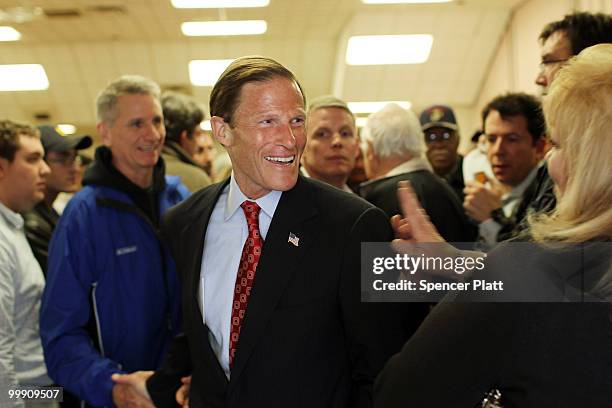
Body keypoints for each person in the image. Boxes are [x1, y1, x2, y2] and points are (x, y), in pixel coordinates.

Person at [114, 56, 398, 408]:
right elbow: (199, 336)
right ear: (222, 131)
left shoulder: (353, 224)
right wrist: (160, 386)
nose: (290, 140)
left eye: (296, 121)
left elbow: (382, 369)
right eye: (268, 122)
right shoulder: (184, 222)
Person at [374, 43, 612, 408]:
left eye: (560, 145)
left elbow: (400, 392)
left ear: (591, 161)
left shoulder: (528, 267)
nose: (551, 163)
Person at [40, 75, 190, 407]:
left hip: (180, 390)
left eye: (156, 120)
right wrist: (112, 387)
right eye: (136, 124)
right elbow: (60, 334)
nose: (152, 135)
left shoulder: (181, 200)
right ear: (105, 133)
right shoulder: (83, 217)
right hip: (119, 393)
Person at [360, 103, 475, 243]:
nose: (439, 143)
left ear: (371, 150)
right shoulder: (441, 186)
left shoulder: (382, 198)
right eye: (431, 137)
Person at [0, 120, 52, 408]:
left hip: (37, 390)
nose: (45, 169)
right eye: (32, 159)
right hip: (21, 394)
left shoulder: (12, 227)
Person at [464, 93, 546, 249]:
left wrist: (493, 217)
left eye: (512, 139)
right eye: (491, 139)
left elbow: (526, 264)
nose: (497, 150)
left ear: (539, 147)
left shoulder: (549, 197)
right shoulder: (485, 195)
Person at [23, 125, 92, 273]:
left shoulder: (51, 214)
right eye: (62, 159)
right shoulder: (32, 223)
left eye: (75, 159)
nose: (74, 168)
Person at [301, 95, 359, 192]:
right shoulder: (280, 199)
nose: (337, 142)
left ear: (357, 146)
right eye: (322, 134)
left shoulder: (364, 204)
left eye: (345, 133)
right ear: (302, 146)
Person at [161, 91, 212, 192]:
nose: (197, 143)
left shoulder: (140, 169)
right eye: (196, 134)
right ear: (184, 137)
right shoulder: (195, 178)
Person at [419, 105, 464, 201]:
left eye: (446, 136)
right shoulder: (417, 179)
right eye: (431, 137)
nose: (439, 144)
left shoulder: (471, 172)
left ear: (458, 139)